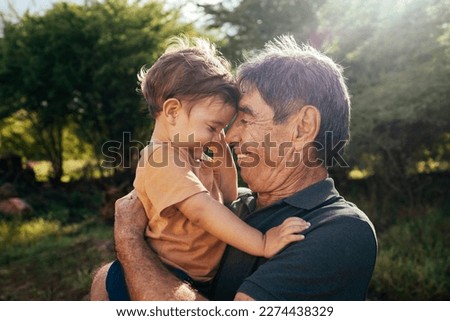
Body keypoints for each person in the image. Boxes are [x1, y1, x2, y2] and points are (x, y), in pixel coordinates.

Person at [90, 35, 377, 301]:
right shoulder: (241, 205)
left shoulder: (340, 229)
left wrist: (129, 242)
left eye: (246, 119)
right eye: (220, 125)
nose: (228, 135)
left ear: (302, 127)